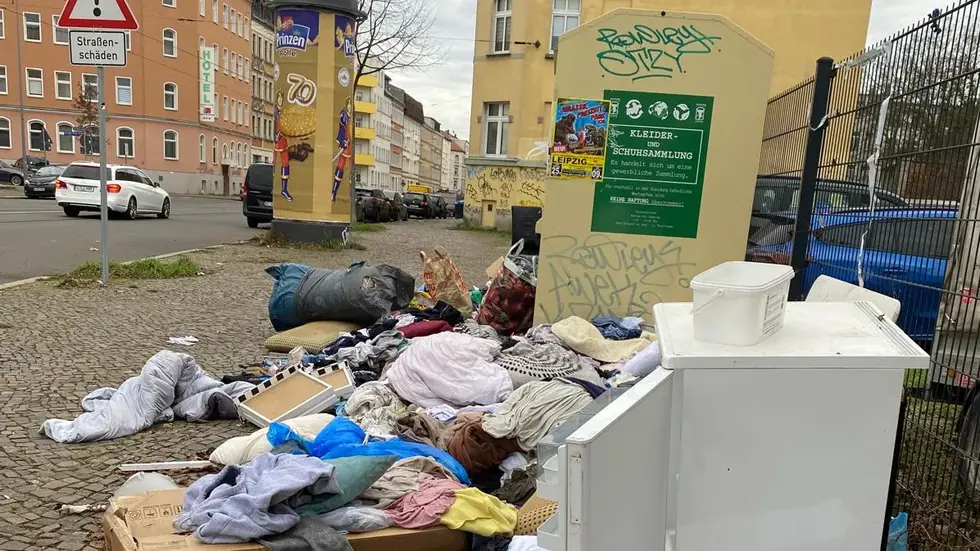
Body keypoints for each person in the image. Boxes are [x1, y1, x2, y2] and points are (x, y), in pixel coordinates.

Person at [332, 98, 353, 203]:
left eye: (351, 105)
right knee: (340, 168)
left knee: (351, 170)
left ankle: (349, 195)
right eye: (348, 105)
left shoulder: (353, 117)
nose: (350, 107)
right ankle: (333, 193)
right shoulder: (343, 116)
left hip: (351, 147)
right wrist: (342, 141)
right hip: (345, 145)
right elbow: (341, 130)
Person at [273, 90, 292, 203]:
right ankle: (274, 186)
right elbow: (275, 126)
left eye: (281, 98)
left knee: (285, 164)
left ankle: (284, 189)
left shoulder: (284, 112)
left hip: (283, 140)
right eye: (279, 98)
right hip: (277, 140)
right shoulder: (275, 112)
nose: (280, 100)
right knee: (275, 162)